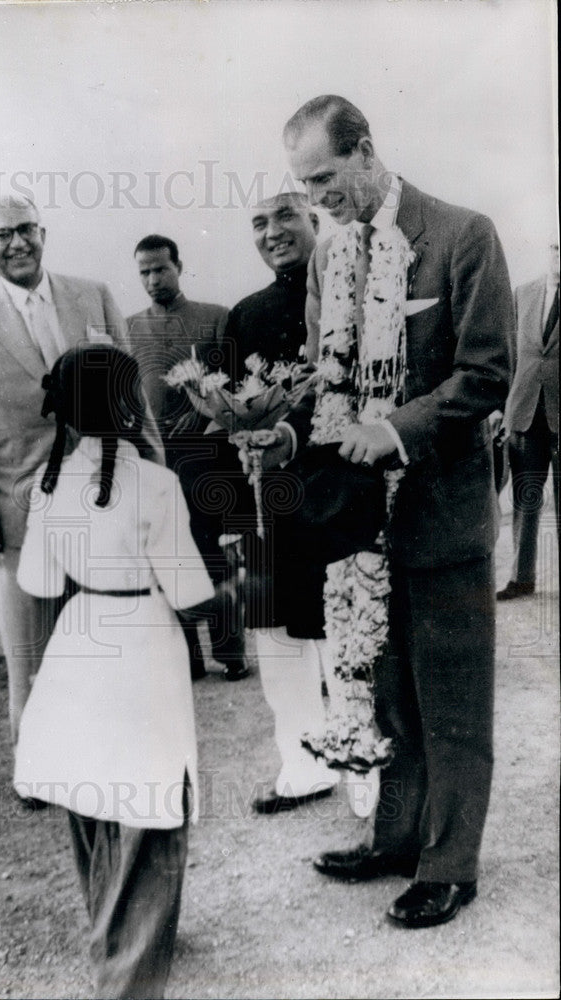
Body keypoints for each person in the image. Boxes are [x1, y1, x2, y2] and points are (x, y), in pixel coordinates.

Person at [267, 95, 513, 928]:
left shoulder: (462, 234)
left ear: (366, 151)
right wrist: (280, 434)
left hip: (441, 515)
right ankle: (395, 838)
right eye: (302, 187)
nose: (315, 201)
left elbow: (485, 373)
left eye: (325, 179)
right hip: (359, 529)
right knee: (385, 693)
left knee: (449, 698)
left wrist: (395, 429)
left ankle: (450, 862)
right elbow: (320, 384)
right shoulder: (325, 259)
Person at [13, 344, 218, 999]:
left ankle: (113, 932)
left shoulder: (46, 484)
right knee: (151, 806)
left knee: (91, 798)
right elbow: (188, 591)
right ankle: (128, 975)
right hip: (140, 643)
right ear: (130, 406)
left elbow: (38, 580)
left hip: (78, 642)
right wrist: (233, 574)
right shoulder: (154, 481)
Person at [0, 195, 163, 751]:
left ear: (43, 232)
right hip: (21, 516)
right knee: (32, 652)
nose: (17, 243)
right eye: (2, 235)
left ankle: (107, 752)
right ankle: (40, 761)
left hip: (103, 503)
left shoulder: (93, 295)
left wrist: (155, 478)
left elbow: (129, 396)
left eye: (26, 230)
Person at [225, 193, 339, 813]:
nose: (273, 233)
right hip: (273, 503)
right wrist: (233, 515)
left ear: (314, 221)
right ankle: (302, 763)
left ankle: (363, 759)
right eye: (260, 224)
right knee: (277, 633)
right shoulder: (246, 315)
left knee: (347, 628)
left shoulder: (353, 292)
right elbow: (226, 420)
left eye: (286, 217)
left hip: (345, 492)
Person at [127, 234, 249, 681]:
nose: (153, 279)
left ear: (179, 266)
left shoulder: (215, 318)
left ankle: (231, 653)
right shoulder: (130, 327)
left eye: (161, 268)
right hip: (156, 463)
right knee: (168, 557)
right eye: (144, 271)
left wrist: (203, 421)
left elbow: (232, 389)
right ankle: (188, 657)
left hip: (208, 457)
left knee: (214, 556)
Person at [498, 241, 559, 600]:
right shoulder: (523, 293)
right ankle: (522, 578)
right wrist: (502, 410)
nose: (557, 255)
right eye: (553, 248)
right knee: (525, 499)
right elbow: (508, 356)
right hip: (525, 415)